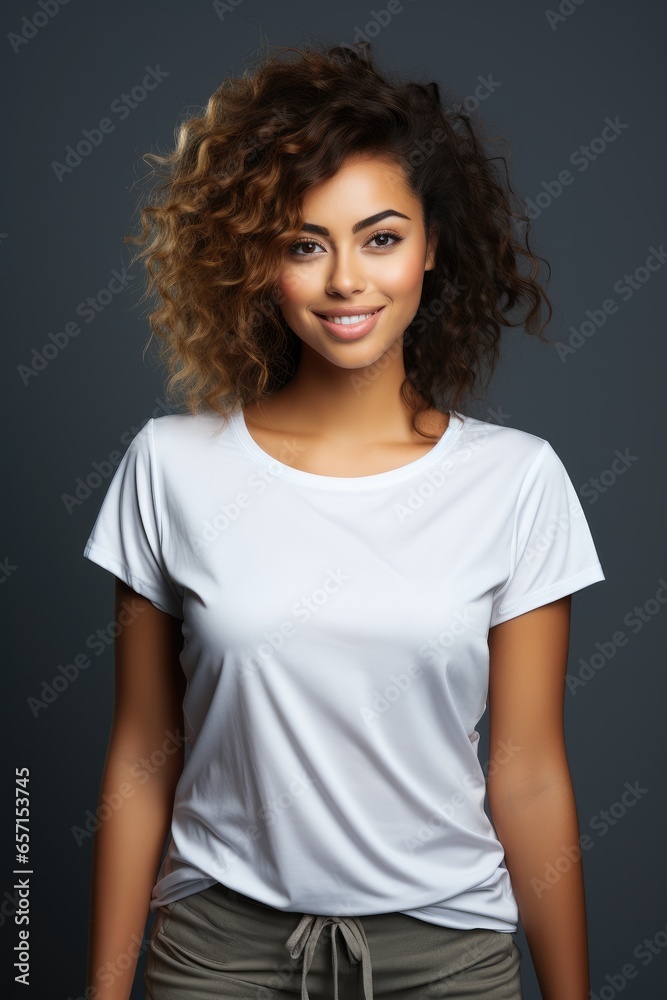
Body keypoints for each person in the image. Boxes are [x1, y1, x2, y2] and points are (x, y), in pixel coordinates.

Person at [82, 39, 606, 1000]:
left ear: (430, 246)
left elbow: (528, 771)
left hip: (446, 957)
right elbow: (140, 751)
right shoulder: (171, 466)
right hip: (216, 954)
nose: (345, 283)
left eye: (379, 237)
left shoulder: (517, 481)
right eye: (303, 244)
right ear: (259, 261)